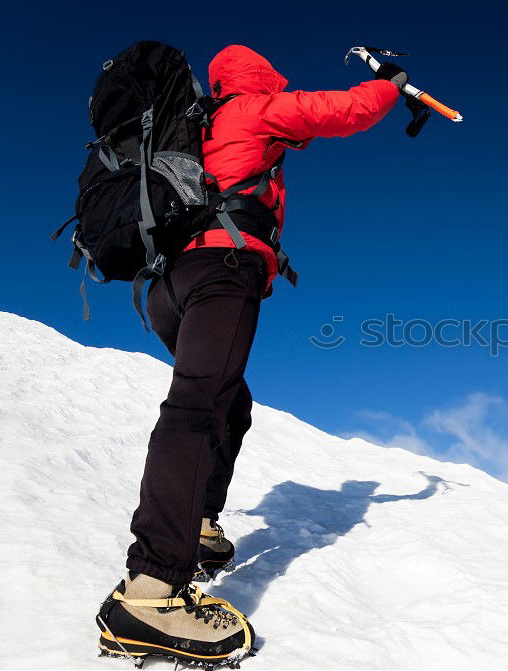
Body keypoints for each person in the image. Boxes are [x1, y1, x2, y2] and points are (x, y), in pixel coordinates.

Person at [96, 44, 405, 664]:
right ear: (259, 75)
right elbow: (348, 109)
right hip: (221, 269)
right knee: (196, 409)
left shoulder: (192, 122)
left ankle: (201, 525)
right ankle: (151, 591)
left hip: (165, 286)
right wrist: (393, 85)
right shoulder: (255, 107)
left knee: (228, 404)